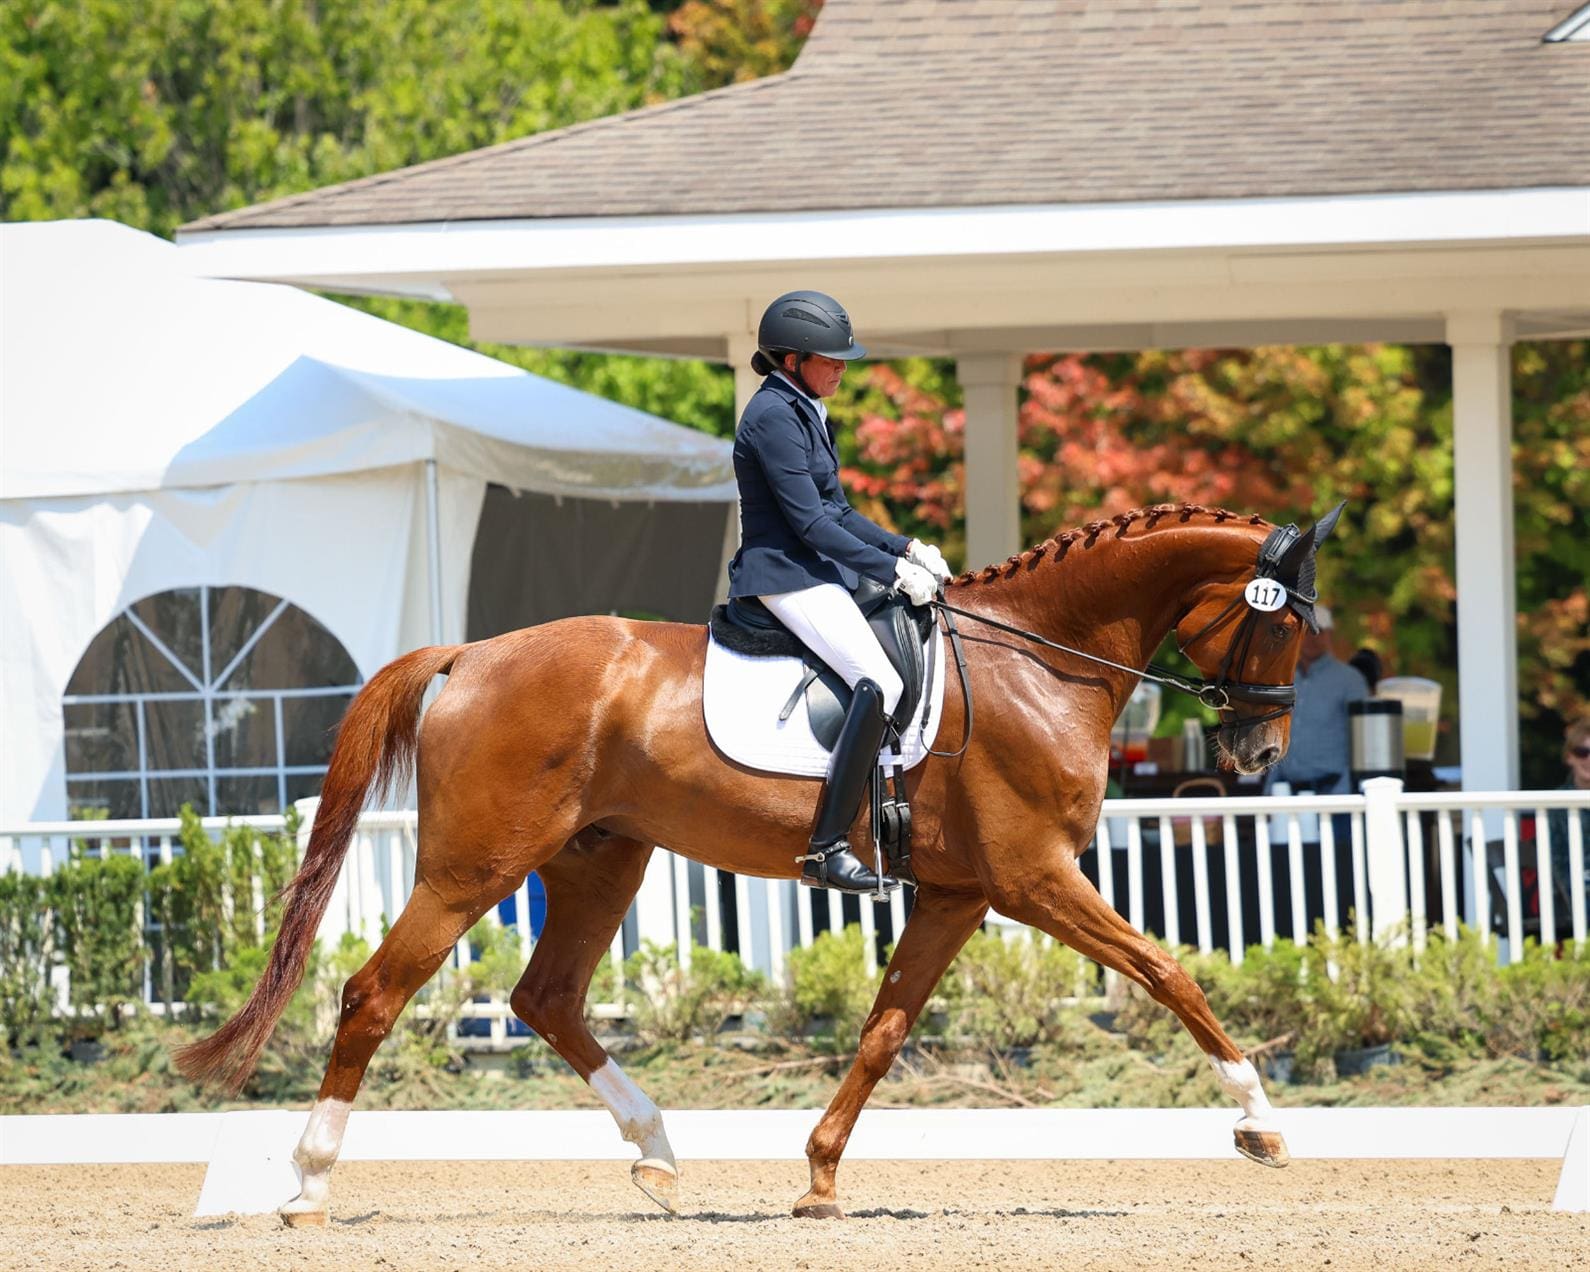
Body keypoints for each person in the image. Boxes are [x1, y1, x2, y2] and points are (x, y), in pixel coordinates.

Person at [725, 290, 950, 895]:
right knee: (882, 682)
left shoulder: (806, 408)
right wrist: (890, 572)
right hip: (784, 575)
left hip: (815, 570)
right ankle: (826, 847)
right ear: (793, 359)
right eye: (831, 358)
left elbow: (840, 511)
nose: (842, 367)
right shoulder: (773, 415)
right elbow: (812, 526)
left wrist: (904, 547)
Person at [1266, 604, 1368, 796]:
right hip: (1287, 791)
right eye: (1306, 631)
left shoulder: (1350, 680)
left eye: (1319, 631)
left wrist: (1346, 789)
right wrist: (1270, 787)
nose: (1312, 638)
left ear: (1329, 635)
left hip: (1335, 791)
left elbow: (1362, 740)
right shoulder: (1282, 678)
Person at [1546, 717, 1590, 926]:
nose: (1588, 759)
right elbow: (1556, 865)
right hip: (1572, 893)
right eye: (1582, 752)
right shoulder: (1557, 803)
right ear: (1569, 757)